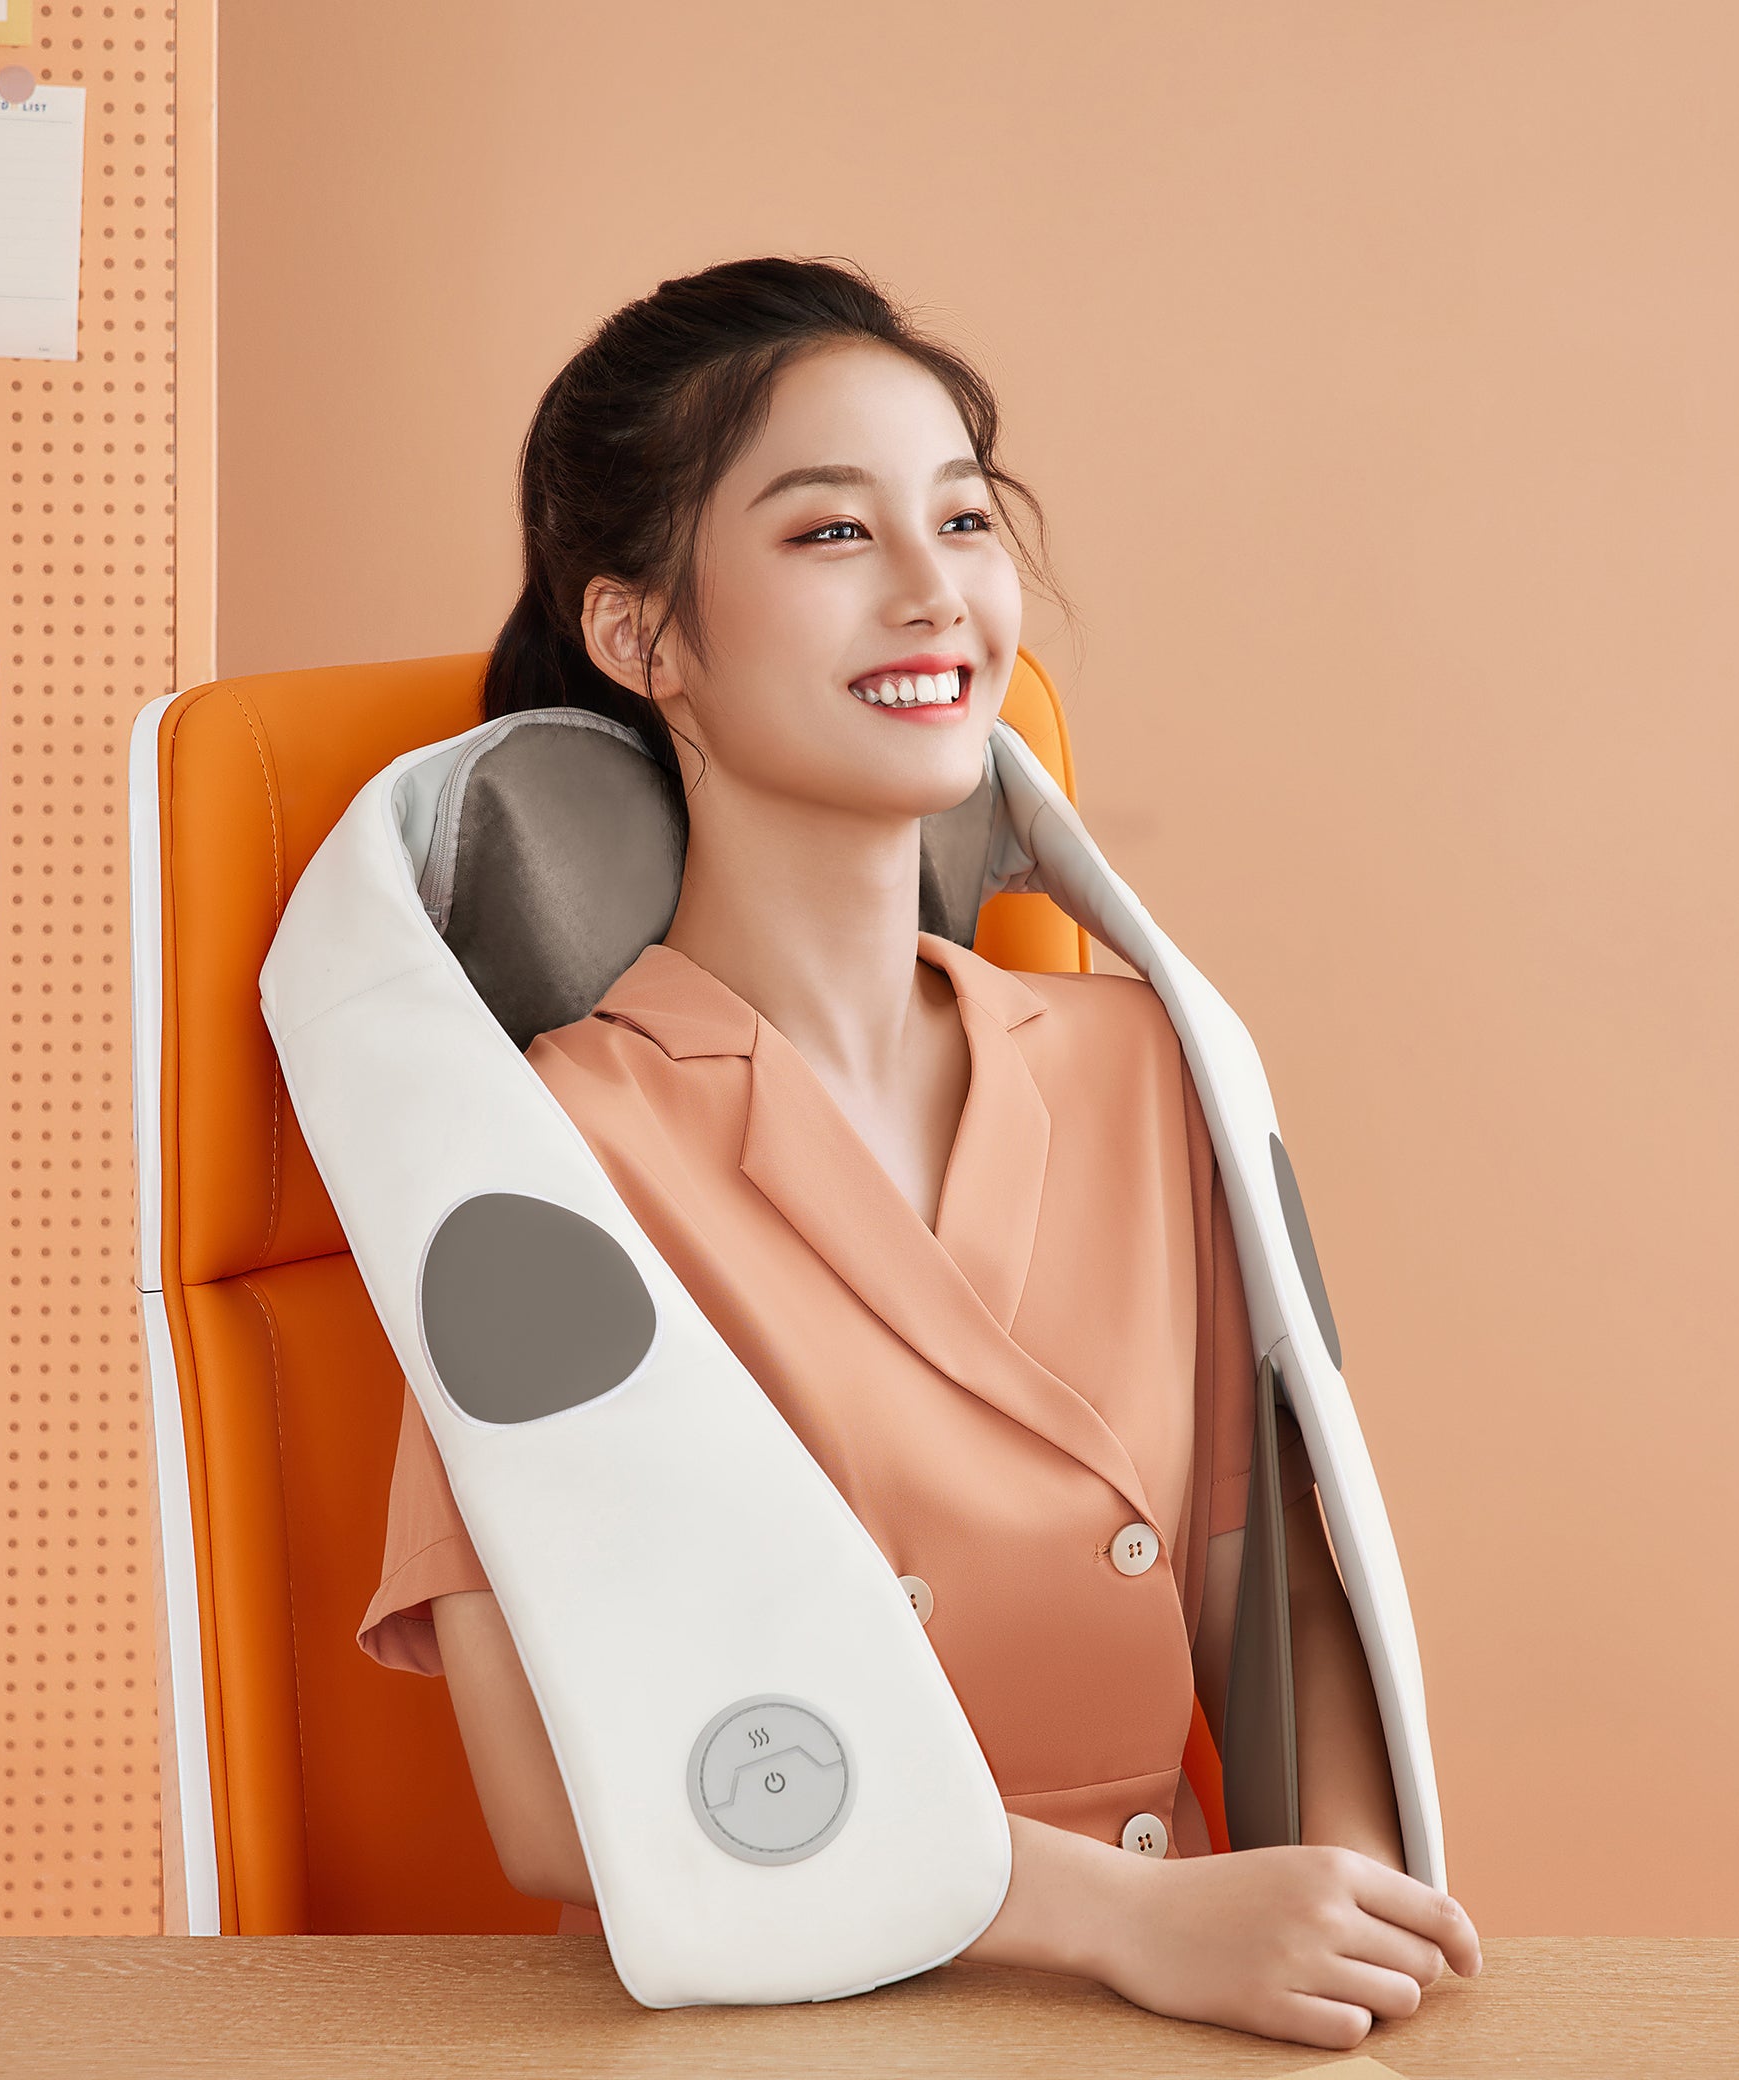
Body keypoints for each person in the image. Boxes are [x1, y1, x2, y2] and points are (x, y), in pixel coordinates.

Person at [356, 256, 1481, 2051]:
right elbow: (555, 1798)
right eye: (829, 535)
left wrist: (1347, 1928)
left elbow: (1271, 1585)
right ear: (641, 636)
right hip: (775, 2019)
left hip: (1180, 2018)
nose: (934, 590)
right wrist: (1124, 1919)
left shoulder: (1147, 1068)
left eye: (962, 516)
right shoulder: (545, 1151)